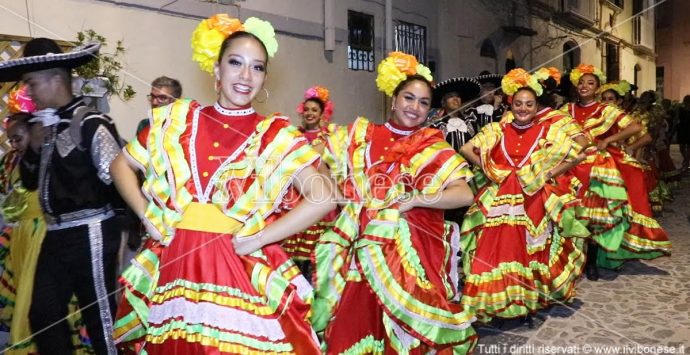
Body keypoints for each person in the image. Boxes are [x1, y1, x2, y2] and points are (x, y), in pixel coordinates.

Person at [110, 14, 334, 354]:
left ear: (265, 78)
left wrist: (259, 238)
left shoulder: (275, 135)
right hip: (176, 262)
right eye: (236, 63)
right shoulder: (177, 120)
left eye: (257, 68)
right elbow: (120, 165)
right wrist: (147, 216)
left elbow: (325, 197)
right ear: (216, 70)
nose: (246, 76)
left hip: (236, 264)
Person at [313, 52, 477, 354]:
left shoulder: (432, 145)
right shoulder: (360, 135)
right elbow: (317, 161)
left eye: (423, 102)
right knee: (356, 320)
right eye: (408, 98)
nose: (414, 108)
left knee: (402, 328)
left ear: (430, 109)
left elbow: (464, 194)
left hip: (408, 250)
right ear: (394, 99)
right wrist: (339, 195)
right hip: (359, 245)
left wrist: (415, 199)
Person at [0, 38, 124, 355]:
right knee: (42, 314)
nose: (28, 92)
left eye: (31, 83)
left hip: (92, 231)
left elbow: (119, 179)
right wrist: (35, 147)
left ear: (56, 78)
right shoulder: (44, 127)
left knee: (100, 318)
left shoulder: (92, 123)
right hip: (55, 234)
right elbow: (29, 182)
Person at [459, 68, 587, 323]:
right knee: (492, 249)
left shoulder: (548, 130)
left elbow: (578, 154)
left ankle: (525, 301)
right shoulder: (497, 128)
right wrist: (491, 170)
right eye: (518, 104)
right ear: (510, 104)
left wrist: (548, 175)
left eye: (529, 104)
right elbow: (465, 148)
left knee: (528, 251)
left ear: (535, 105)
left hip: (532, 196)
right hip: (498, 196)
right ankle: (494, 300)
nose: (523, 108)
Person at [561, 64, 671, 278]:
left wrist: (609, 140)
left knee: (593, 215)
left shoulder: (607, 110)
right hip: (571, 165)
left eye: (590, 83)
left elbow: (635, 127)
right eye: (581, 83)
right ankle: (570, 259)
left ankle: (591, 261)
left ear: (598, 88)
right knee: (570, 213)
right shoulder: (566, 110)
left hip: (597, 169)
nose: (585, 86)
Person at [281, 85, 339, 282]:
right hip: (296, 196)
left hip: (321, 197)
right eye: (306, 110)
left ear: (323, 113)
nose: (309, 113)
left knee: (319, 256)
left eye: (314, 110)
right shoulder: (293, 135)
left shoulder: (330, 138)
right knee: (293, 256)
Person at [430, 76, 481, 152]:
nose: (455, 99)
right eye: (450, 96)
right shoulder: (436, 125)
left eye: (458, 96)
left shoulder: (470, 121)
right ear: (443, 102)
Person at [678, 95, 690, 172]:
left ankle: (686, 163)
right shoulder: (680, 109)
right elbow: (677, 119)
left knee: (689, 147)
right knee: (681, 147)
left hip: (689, 129)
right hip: (682, 129)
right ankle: (686, 160)